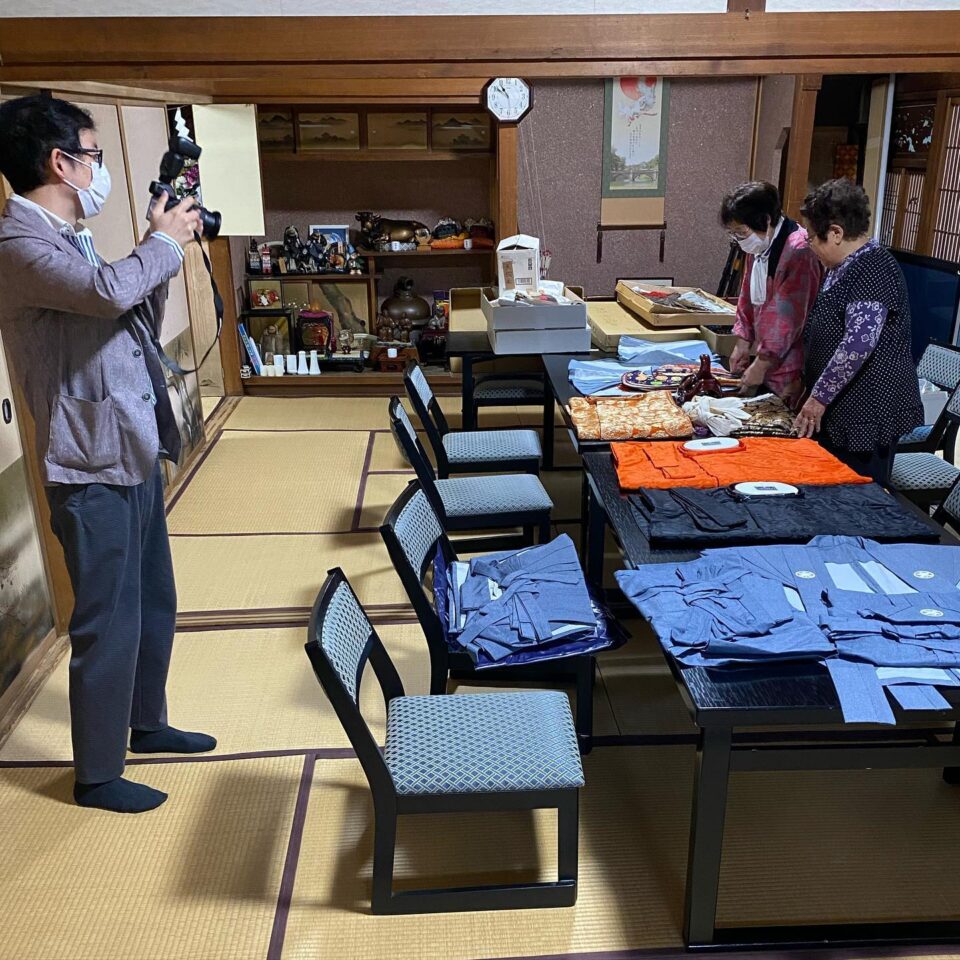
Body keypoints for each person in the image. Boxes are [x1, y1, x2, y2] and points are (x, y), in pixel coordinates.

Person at [0, 95, 216, 813]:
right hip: (86, 461)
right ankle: (95, 774)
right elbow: (104, 292)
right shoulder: (21, 248)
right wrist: (162, 244)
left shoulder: (73, 235)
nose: (100, 170)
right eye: (92, 155)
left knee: (154, 599)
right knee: (106, 618)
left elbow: (126, 309)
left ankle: (146, 724)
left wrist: (159, 254)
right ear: (59, 162)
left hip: (130, 441)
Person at [796, 178, 923, 485]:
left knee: (856, 498)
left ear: (836, 233)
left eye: (813, 238)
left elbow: (857, 345)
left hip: (867, 410)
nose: (810, 246)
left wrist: (818, 398)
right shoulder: (842, 267)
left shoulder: (873, 269)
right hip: (842, 406)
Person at [720, 181, 822, 406]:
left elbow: (788, 319)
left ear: (766, 220)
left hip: (791, 361)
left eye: (742, 232)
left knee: (777, 423)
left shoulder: (800, 249)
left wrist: (762, 363)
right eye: (734, 233)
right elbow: (746, 295)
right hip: (764, 353)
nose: (739, 238)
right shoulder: (757, 245)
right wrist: (743, 343)